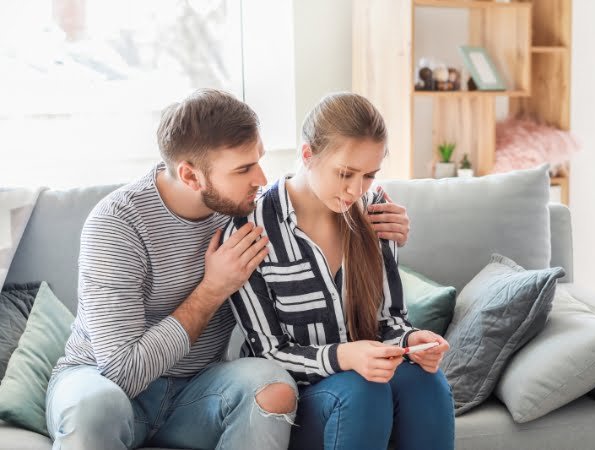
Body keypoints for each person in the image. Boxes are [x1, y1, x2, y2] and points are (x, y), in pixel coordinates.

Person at [45, 88, 412, 450]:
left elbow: (311, 183)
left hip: (200, 388)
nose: (261, 178)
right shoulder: (117, 224)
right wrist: (211, 290)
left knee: (272, 384)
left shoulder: (243, 207)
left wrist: (380, 223)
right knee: (96, 407)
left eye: (259, 159)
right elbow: (122, 372)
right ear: (191, 176)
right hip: (100, 381)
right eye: (244, 169)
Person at [225, 92, 455, 450]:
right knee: (363, 390)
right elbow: (267, 353)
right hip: (303, 402)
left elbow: (389, 322)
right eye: (345, 173)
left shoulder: (376, 211)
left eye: (369, 175)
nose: (356, 190)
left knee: (427, 381)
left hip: (367, 389)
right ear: (307, 155)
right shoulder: (252, 230)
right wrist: (344, 357)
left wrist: (411, 342)